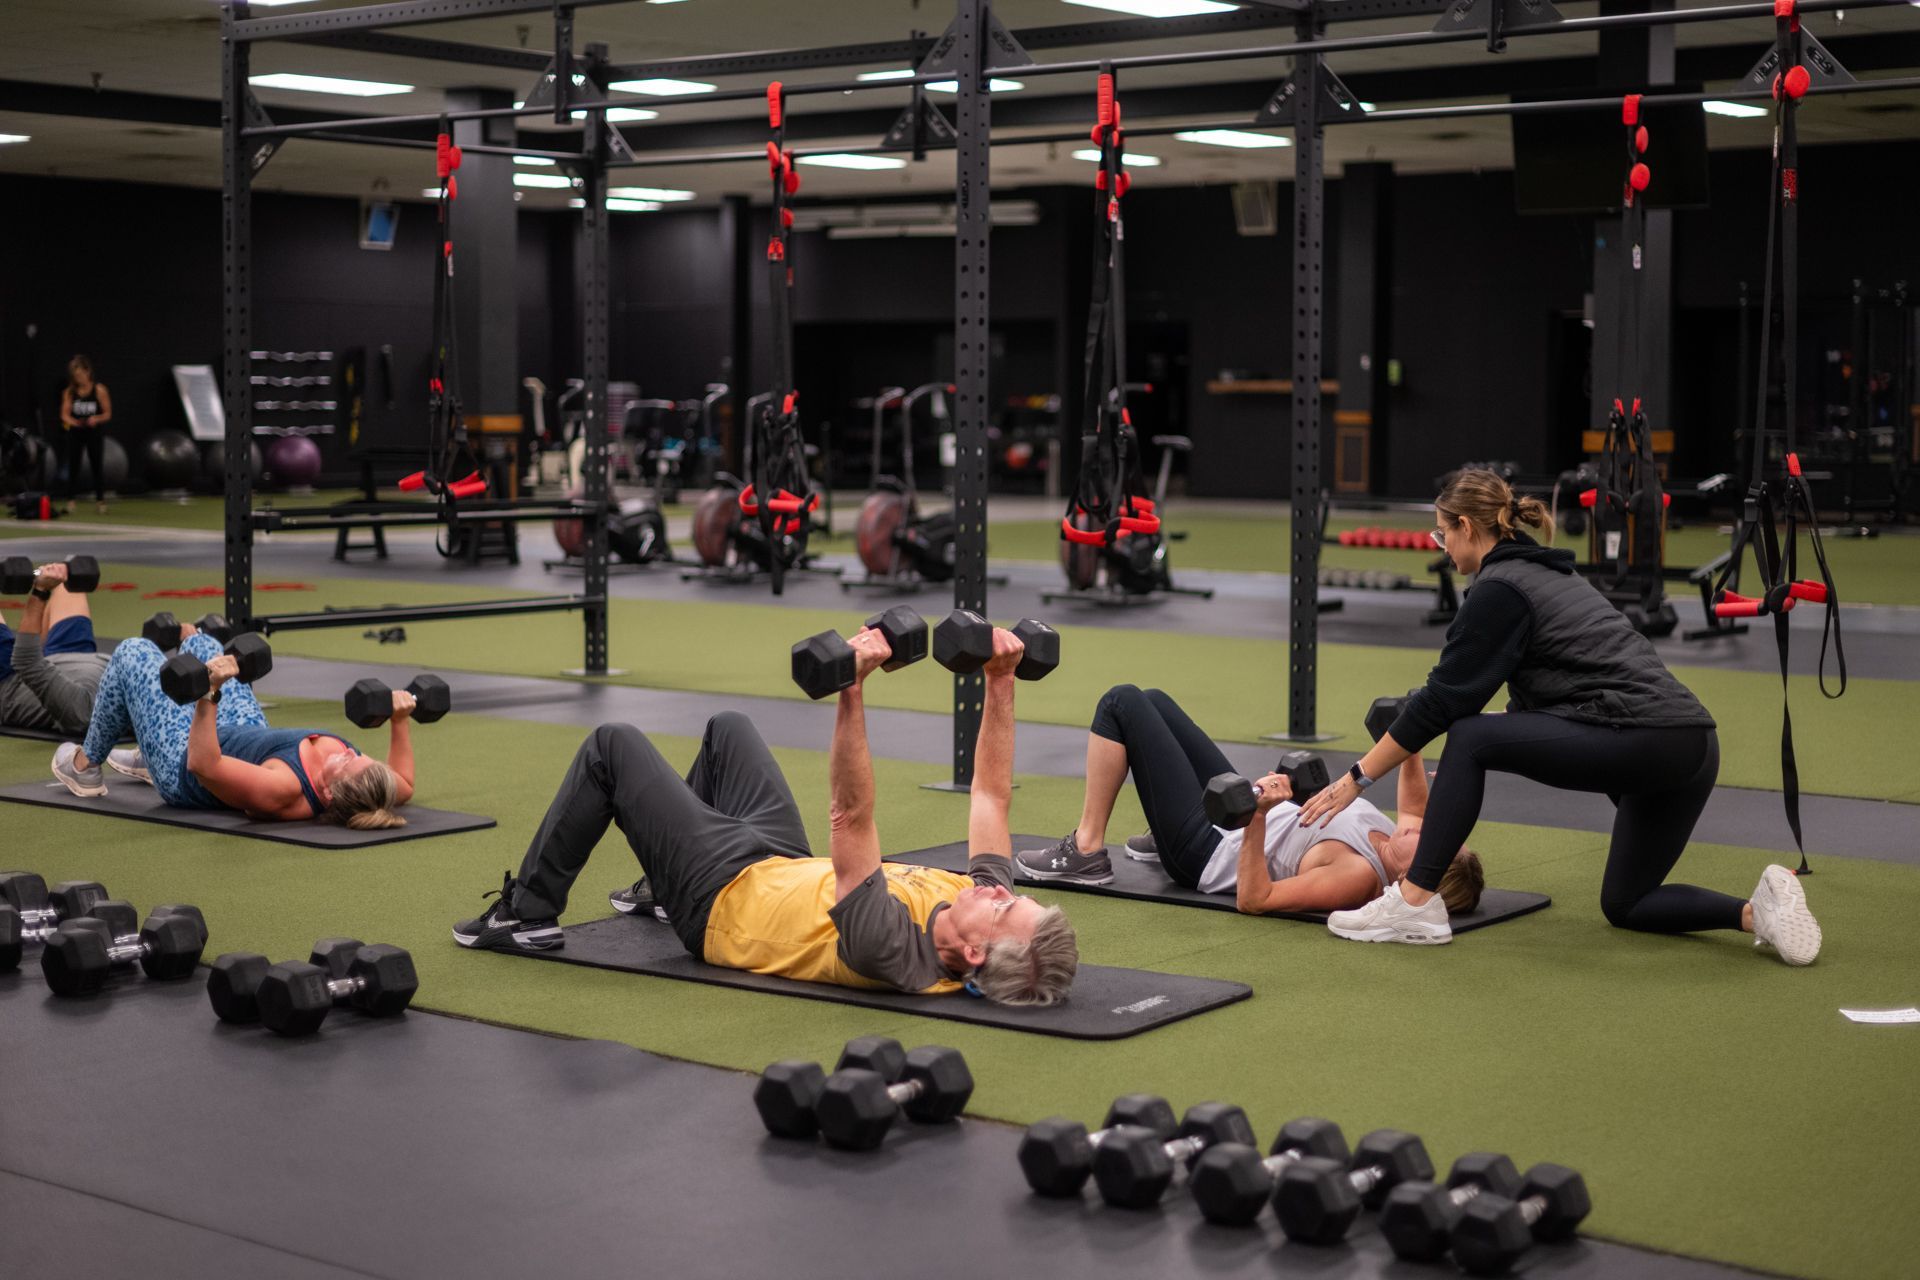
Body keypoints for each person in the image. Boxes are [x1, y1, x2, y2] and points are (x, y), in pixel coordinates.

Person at [1299, 467, 1821, 964]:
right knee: (1627, 902)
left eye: (1442, 535)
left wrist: (1358, 777)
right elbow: (1554, 686)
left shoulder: (1499, 588)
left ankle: (1413, 903)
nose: (1443, 548)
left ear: (1465, 526)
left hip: (1643, 737)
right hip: (1691, 746)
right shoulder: (1547, 574)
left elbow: (1446, 701)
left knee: (1469, 737)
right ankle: (1759, 915)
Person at [455, 622, 1081, 1007]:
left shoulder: (893, 954)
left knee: (611, 746)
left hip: (720, 901)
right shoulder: (979, 896)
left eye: (1002, 908)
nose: (997, 890)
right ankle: (656, 879)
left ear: (973, 955)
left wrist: (852, 688)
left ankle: (527, 913)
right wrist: (1002, 681)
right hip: (779, 861)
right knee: (730, 729)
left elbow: (850, 818)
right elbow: (991, 796)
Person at [1016, 685, 1482, 917]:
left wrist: (1258, 814)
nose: (1428, 829)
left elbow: (1255, 899)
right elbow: (1418, 808)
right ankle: (1161, 827)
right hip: (1237, 810)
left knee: (1121, 703)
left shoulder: (1358, 876)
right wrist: (1409, 741)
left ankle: (1087, 849)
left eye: (1433, 846)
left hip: (1208, 849)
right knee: (1153, 700)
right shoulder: (1399, 838)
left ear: (1411, 880)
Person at [49, 629, 411, 828]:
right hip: (243, 731)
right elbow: (404, 785)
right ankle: (147, 753)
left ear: (330, 794)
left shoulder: (283, 789)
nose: (351, 752)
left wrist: (210, 691)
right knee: (203, 643)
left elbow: (204, 765)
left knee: (132, 651)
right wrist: (399, 720)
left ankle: (85, 765)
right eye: (358, 755)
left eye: (347, 762)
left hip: (182, 760)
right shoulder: (371, 785)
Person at [0, 560, 108, 735]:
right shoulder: (148, 692)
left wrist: (40, 591)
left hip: (12, 678)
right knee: (67, 582)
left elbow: (25, 660)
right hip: (74, 655)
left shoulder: (82, 713)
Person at [58, 355, 113, 514]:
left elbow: (108, 413)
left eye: (81, 374)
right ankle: (70, 500)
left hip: (94, 433)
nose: (78, 378)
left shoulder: (100, 390)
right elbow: (64, 414)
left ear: (88, 372)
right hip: (76, 433)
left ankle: (100, 501)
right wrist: (76, 422)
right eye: (75, 375)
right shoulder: (69, 392)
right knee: (73, 466)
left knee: (97, 466)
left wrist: (95, 419)